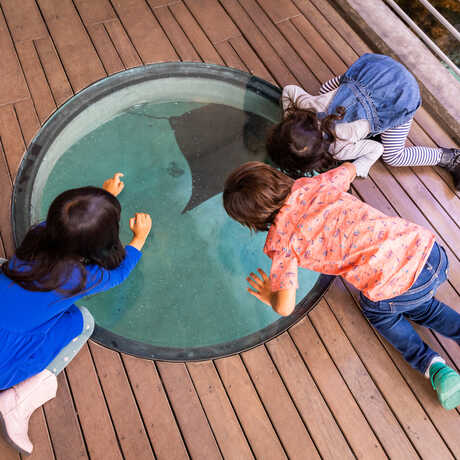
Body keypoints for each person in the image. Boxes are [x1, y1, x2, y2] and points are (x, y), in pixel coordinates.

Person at [223, 161, 460, 410]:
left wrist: (270, 294)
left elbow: (285, 307)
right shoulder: (311, 186)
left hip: (397, 287)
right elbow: (349, 169)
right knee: (423, 307)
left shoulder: (283, 244)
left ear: (253, 221)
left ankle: (435, 368)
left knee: (380, 314)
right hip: (430, 253)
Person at [0, 173, 152, 455]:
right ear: (103, 244)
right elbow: (119, 275)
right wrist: (138, 240)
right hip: (5, 359)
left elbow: (71, 229)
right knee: (82, 322)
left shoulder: (38, 235)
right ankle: (17, 400)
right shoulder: (83, 277)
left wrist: (101, 198)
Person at [266, 53, 460, 188]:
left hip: (399, 98)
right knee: (326, 90)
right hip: (378, 71)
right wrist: (288, 115)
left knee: (394, 156)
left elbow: (377, 149)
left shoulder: (339, 149)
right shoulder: (308, 104)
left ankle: (449, 158)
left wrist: (357, 168)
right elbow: (289, 90)